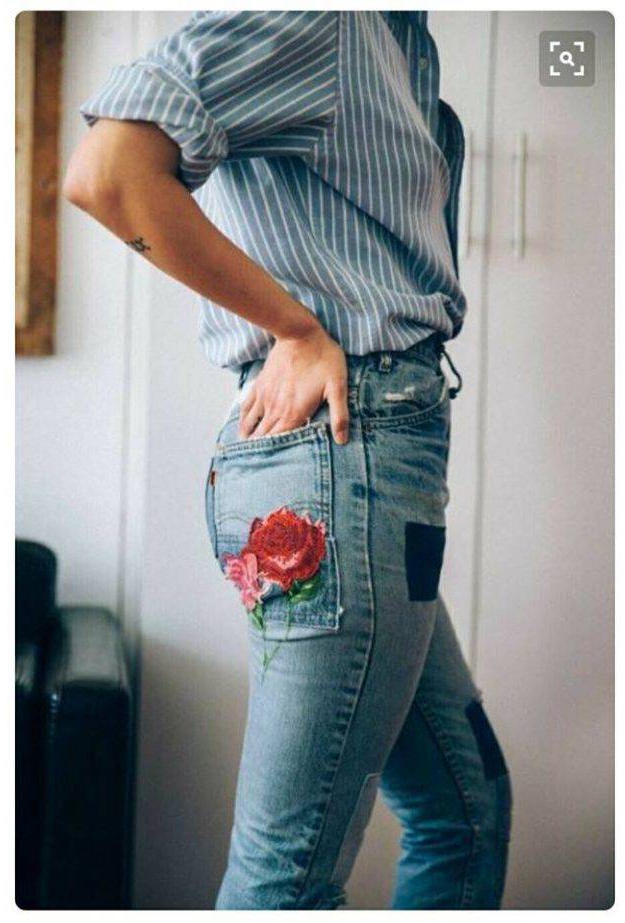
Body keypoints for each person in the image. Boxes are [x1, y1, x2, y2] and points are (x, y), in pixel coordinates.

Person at [64, 10, 511, 910]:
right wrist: (295, 327)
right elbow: (109, 174)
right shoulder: (325, 19)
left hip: (370, 461)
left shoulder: (395, 41)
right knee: (288, 877)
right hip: (351, 455)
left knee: (467, 807)